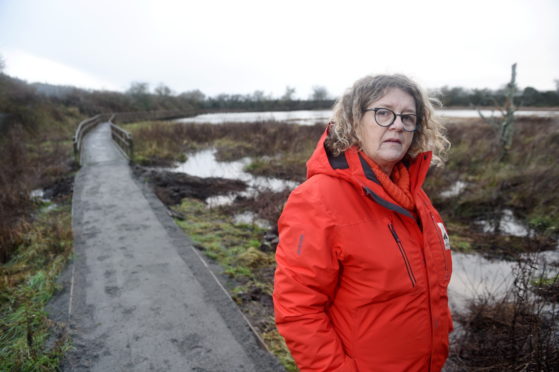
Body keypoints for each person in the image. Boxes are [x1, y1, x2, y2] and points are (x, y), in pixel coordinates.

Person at [273, 74, 453, 372]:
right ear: (354, 121)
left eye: (408, 117)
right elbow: (298, 310)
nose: (397, 124)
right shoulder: (317, 200)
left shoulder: (416, 196)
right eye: (383, 113)